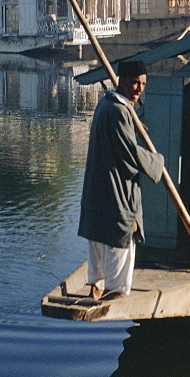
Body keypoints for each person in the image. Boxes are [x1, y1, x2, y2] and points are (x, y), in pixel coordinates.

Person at [77, 60, 164, 301]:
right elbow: (130, 154)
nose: (139, 88)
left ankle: (96, 288)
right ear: (122, 81)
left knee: (99, 246)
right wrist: (157, 162)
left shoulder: (106, 104)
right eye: (135, 82)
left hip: (98, 194)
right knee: (120, 243)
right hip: (115, 195)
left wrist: (134, 129)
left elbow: (120, 140)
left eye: (143, 84)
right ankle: (112, 296)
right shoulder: (117, 110)